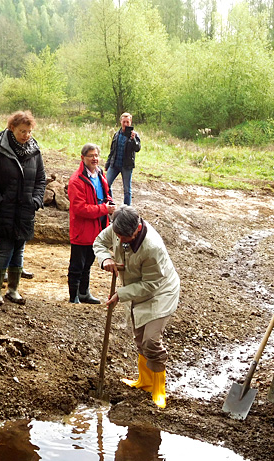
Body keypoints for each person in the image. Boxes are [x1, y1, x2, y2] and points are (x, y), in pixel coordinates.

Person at [93, 205, 180, 409]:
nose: (120, 239)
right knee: (139, 337)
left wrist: (121, 294)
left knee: (151, 340)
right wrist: (105, 258)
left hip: (160, 291)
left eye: (125, 237)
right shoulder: (117, 228)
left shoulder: (152, 247)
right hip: (136, 288)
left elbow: (152, 284)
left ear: (137, 229)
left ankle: (159, 389)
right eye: (118, 235)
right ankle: (144, 381)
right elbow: (99, 242)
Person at [0, 110, 46, 305]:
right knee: (4, 251)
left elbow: (41, 179)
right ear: (12, 128)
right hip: (2, 211)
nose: (26, 135)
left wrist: (36, 200)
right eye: (22, 131)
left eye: (29, 131)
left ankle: (13, 290)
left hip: (25, 211)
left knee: (18, 251)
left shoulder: (34, 151)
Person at [67, 143, 115, 304]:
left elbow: (106, 193)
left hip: (98, 226)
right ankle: (73, 296)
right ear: (83, 158)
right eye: (91, 156)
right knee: (77, 265)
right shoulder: (76, 180)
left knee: (88, 263)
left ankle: (84, 293)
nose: (95, 159)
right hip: (82, 228)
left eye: (96, 155)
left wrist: (109, 203)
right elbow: (80, 209)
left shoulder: (99, 174)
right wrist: (104, 209)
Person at [105, 113, 141, 206]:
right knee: (106, 184)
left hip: (127, 166)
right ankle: (111, 204)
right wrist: (107, 164)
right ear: (120, 122)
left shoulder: (134, 135)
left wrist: (133, 139)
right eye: (124, 121)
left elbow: (137, 148)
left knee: (127, 190)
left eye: (127, 122)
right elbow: (112, 150)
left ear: (130, 122)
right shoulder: (116, 134)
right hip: (114, 164)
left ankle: (126, 211)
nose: (125, 124)